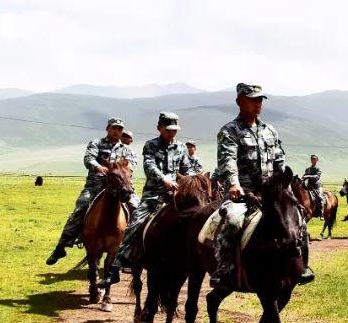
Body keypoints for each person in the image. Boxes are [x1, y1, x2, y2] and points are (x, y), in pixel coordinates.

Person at [211, 83, 314, 287]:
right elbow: (227, 160)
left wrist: (285, 183)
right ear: (240, 101)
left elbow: (279, 161)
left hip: (271, 195)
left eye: (260, 100)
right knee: (232, 221)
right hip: (242, 194)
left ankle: (301, 266)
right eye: (253, 99)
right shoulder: (229, 131)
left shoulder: (270, 131)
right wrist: (233, 184)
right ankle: (224, 268)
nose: (258, 104)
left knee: (298, 220)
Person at [108, 112, 194, 285]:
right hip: (154, 194)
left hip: (176, 195)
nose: (172, 133)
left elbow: (187, 169)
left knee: (198, 218)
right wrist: (164, 179)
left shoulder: (182, 148)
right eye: (168, 130)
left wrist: (191, 180)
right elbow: (149, 166)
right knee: (135, 223)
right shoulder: (151, 145)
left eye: (174, 130)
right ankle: (117, 265)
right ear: (159, 128)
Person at [45, 117, 125, 265]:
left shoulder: (126, 150)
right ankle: (61, 247)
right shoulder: (96, 143)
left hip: (117, 190)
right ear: (108, 129)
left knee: (136, 207)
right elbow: (89, 159)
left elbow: (129, 165)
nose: (116, 131)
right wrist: (98, 167)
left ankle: (129, 249)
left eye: (120, 129)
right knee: (80, 209)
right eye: (114, 128)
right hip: (95, 187)